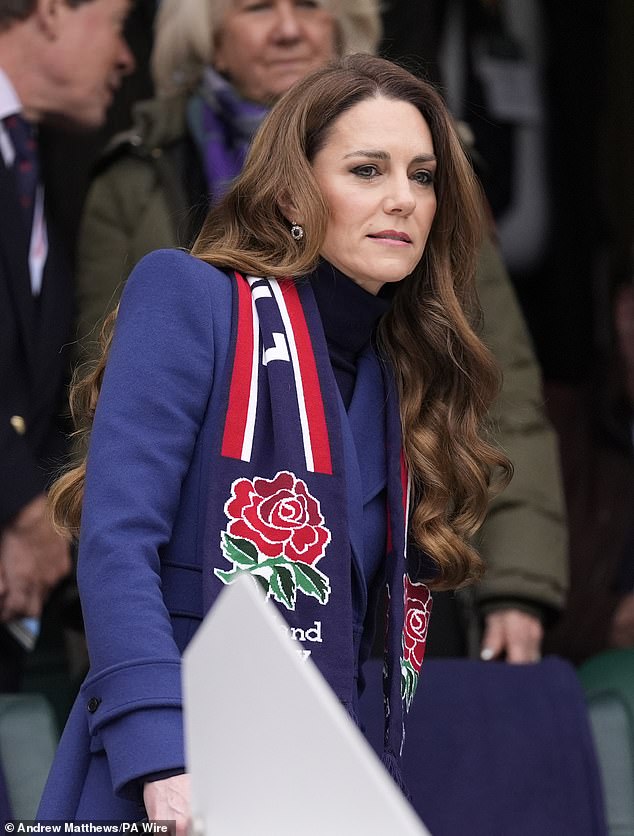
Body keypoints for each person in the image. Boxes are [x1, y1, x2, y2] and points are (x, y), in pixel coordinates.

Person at [37, 53, 510, 827]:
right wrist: (163, 759)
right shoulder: (189, 296)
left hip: (318, 789)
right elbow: (118, 543)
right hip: (167, 783)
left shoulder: (404, 376)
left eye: (422, 177)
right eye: (367, 170)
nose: (402, 199)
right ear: (292, 192)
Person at [74, 0, 568, 667]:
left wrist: (518, 580)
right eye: (256, 7)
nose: (401, 198)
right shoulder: (161, 224)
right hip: (202, 658)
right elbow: (115, 462)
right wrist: (153, 732)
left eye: (422, 176)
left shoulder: (399, 335)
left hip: (380, 632)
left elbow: (495, 392)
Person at [74, 0, 381, 362]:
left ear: (339, 30)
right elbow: (98, 367)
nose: (289, 31)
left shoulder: (424, 159)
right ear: (212, 44)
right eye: (259, 9)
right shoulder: (135, 175)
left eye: (307, 5)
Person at [0, 0, 134, 691]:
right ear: (52, 11)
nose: (126, 57)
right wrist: (24, 506)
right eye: (118, 24)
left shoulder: (31, 156)